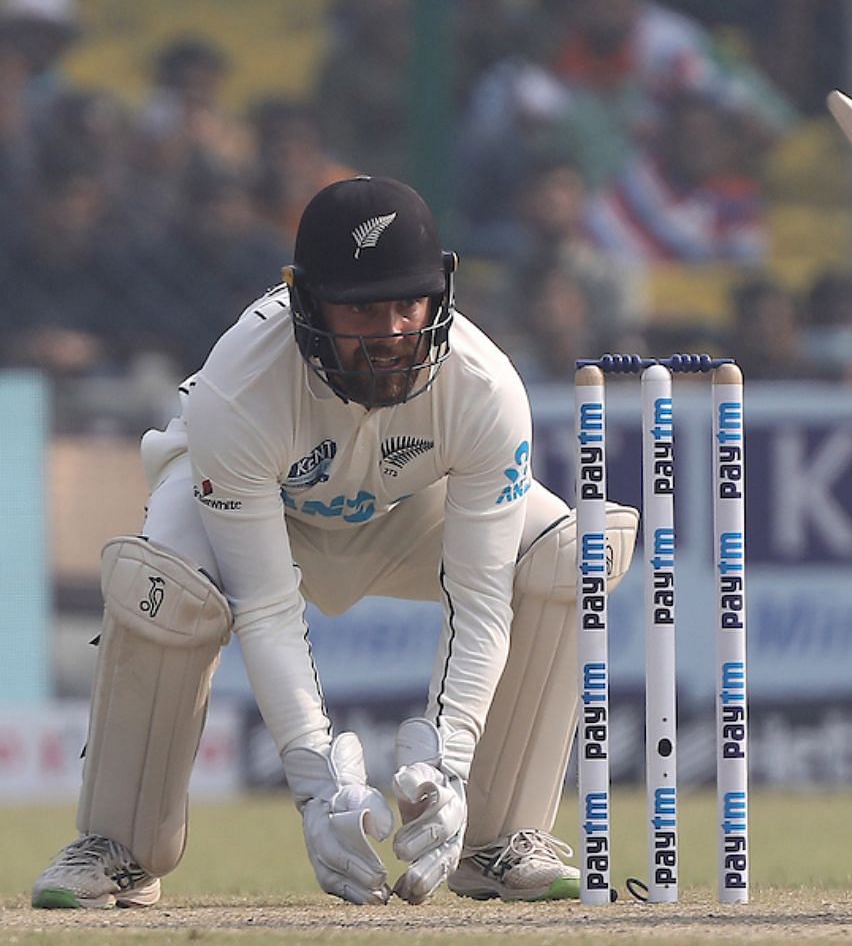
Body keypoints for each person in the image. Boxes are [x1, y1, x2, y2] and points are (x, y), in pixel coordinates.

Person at [31, 176, 636, 910]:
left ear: (439, 293)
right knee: (161, 588)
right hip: (255, 518)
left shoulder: (484, 388)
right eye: (362, 310)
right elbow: (267, 606)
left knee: (561, 555)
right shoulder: (239, 388)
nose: (389, 333)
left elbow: (480, 602)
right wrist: (318, 786)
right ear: (307, 303)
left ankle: (496, 839)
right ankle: (118, 846)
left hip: (403, 514)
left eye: (407, 305)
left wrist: (448, 762)